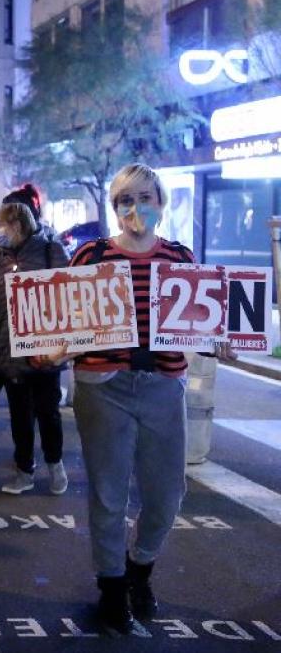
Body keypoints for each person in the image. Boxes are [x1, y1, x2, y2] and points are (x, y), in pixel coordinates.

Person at [32, 164, 235, 636]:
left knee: (167, 495)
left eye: (145, 196)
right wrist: (53, 350)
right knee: (108, 494)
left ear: (161, 203)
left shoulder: (181, 258)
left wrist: (218, 340)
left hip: (164, 386)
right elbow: (64, 319)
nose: (135, 207)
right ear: (115, 207)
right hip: (104, 387)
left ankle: (139, 568)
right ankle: (112, 586)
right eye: (125, 199)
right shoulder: (92, 254)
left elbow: (199, 325)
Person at [0, 203, 69, 495]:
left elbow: (72, 296)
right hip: (11, 351)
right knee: (20, 415)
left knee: (48, 412)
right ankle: (24, 471)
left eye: (3, 226)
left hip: (46, 351)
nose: (0, 233)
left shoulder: (51, 252)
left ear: (17, 225)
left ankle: (56, 466)